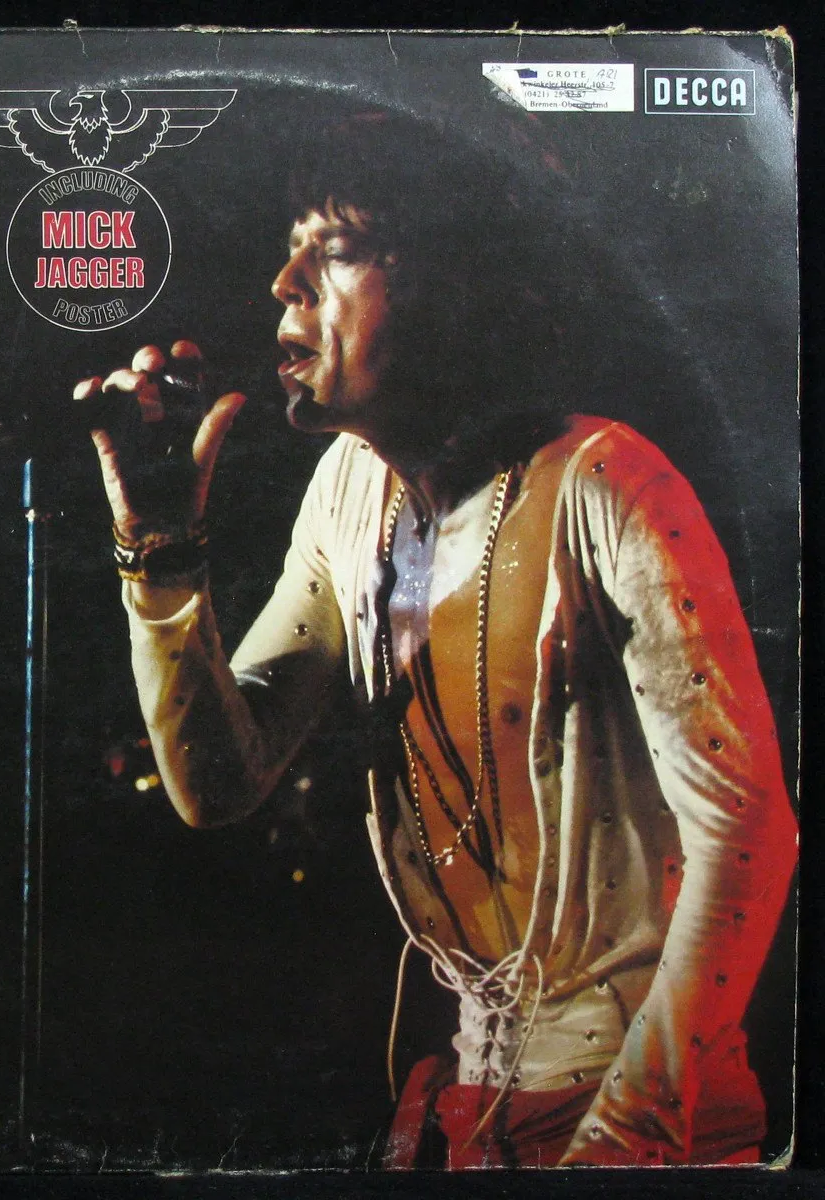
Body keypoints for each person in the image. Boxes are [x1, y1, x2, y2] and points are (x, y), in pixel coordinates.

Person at [72, 110, 797, 1168]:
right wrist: (163, 559)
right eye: (290, 251)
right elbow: (219, 784)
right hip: (473, 1111)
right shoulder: (348, 492)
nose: (283, 284)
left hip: (650, 1115)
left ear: (454, 281)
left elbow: (748, 832)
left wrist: (625, 1135)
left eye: (334, 251)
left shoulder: (604, 484)